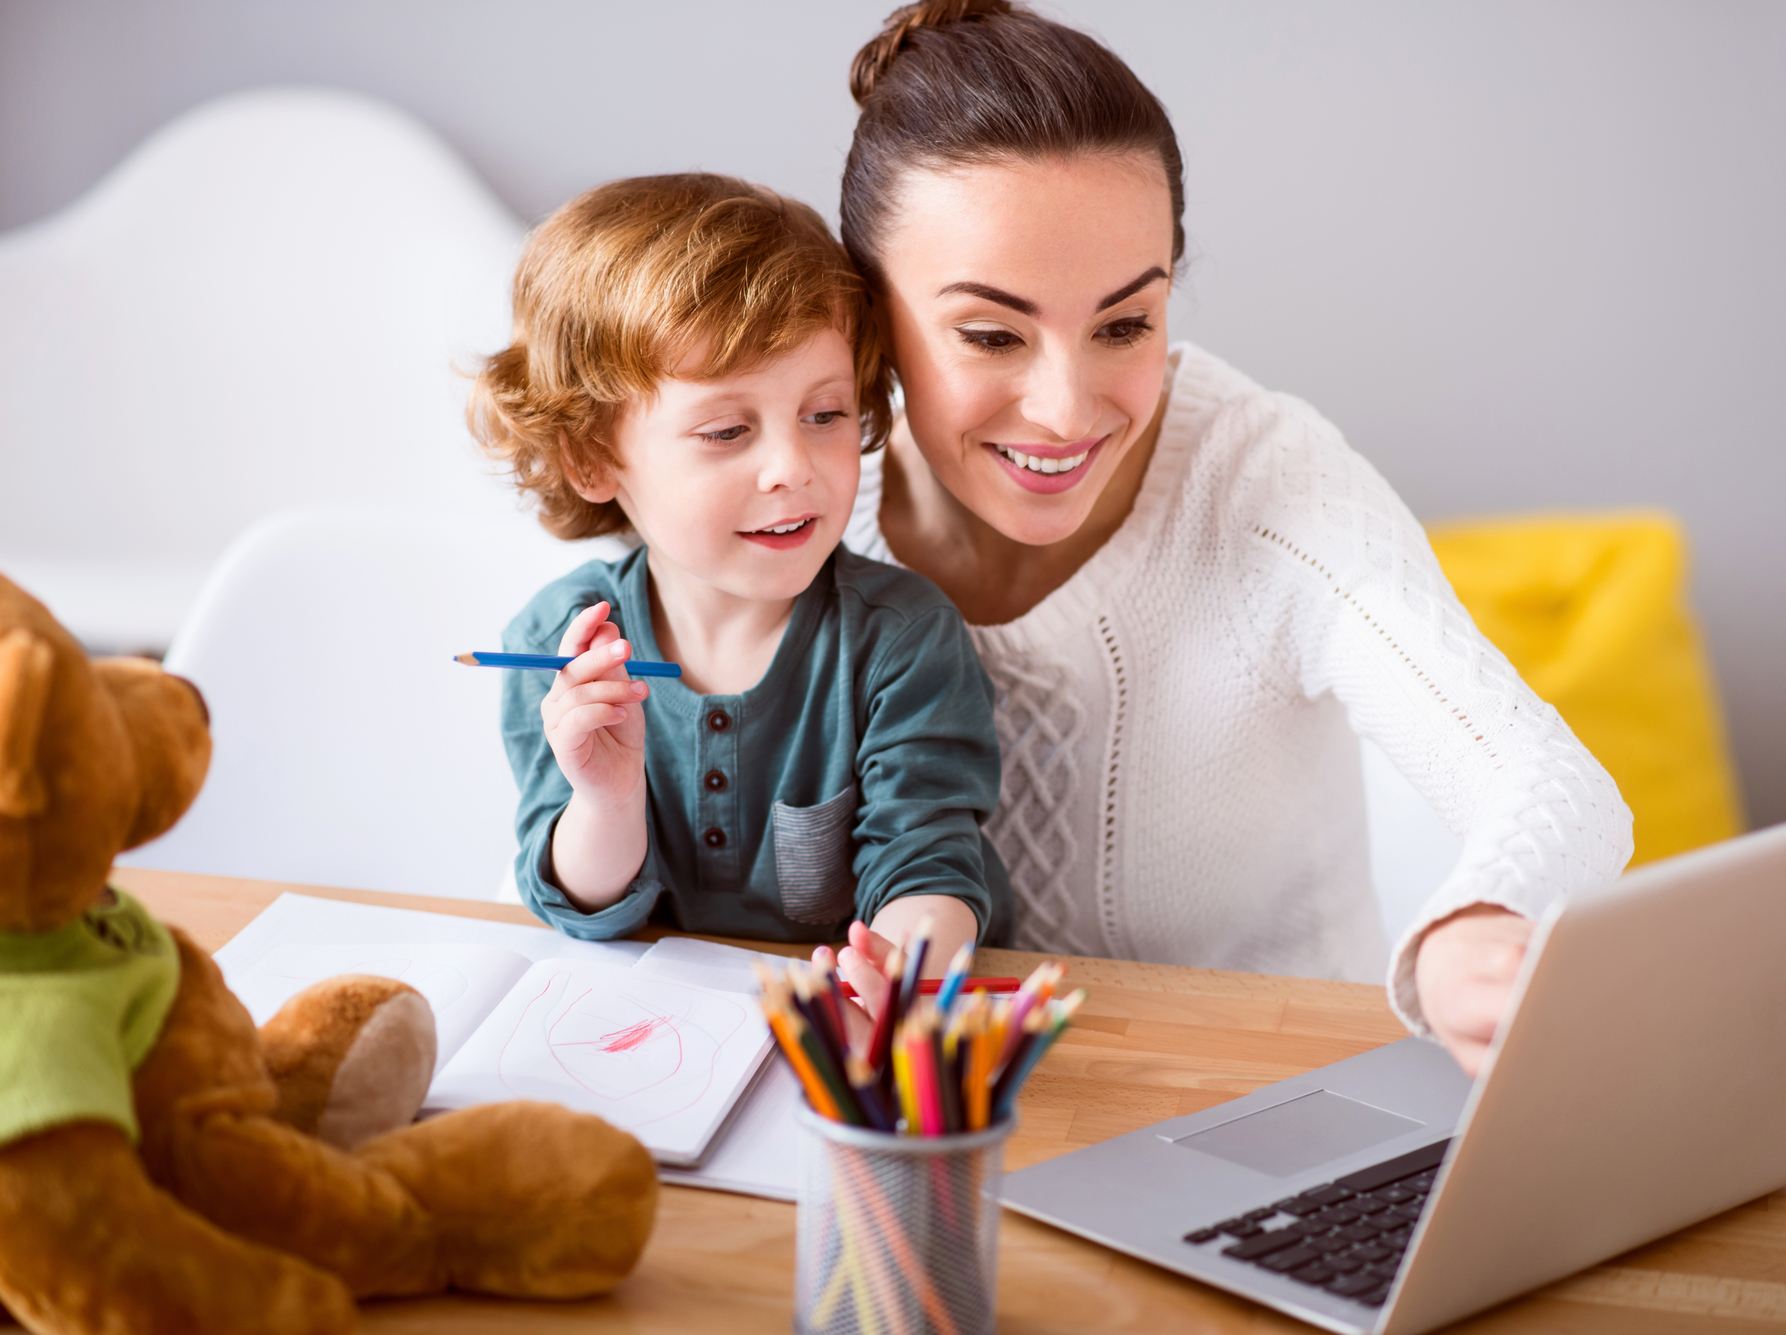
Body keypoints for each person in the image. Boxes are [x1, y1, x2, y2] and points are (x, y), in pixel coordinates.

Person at [827, 0, 1635, 1075]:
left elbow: (1553, 785)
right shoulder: (804, 494)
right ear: (869, 316)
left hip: (1285, 1102)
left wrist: (1472, 927)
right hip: (960, 1118)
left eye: (1125, 324)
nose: (1067, 411)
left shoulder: (1264, 479)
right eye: (989, 334)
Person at [468, 173, 1010, 973]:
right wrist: (606, 798)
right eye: (726, 430)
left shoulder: (899, 639)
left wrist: (899, 972)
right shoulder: (559, 644)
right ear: (591, 457)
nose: (792, 466)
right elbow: (582, 910)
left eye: (824, 414)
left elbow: (926, 860)